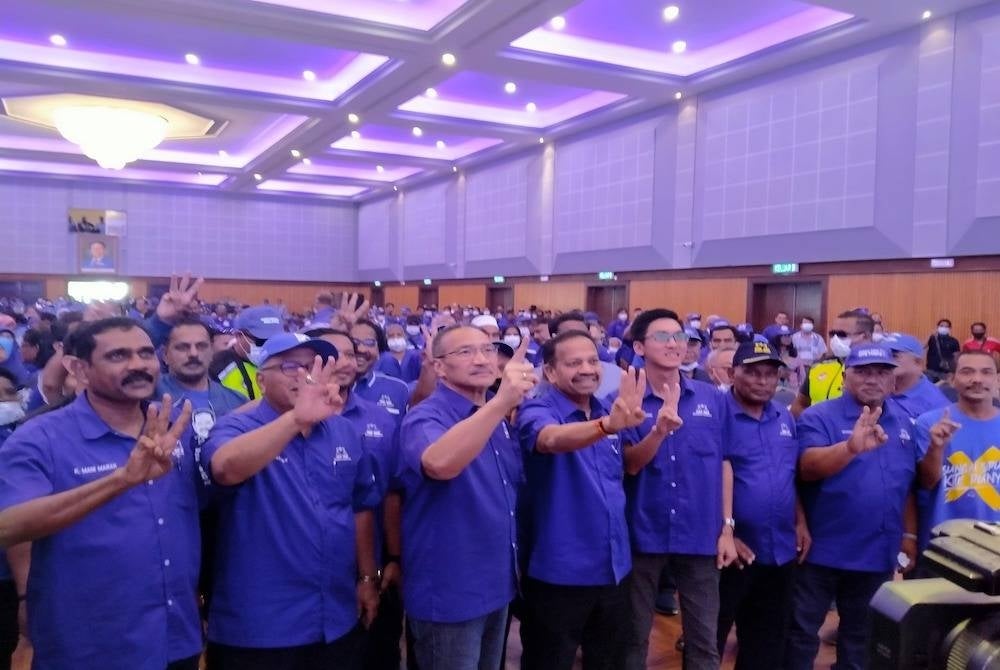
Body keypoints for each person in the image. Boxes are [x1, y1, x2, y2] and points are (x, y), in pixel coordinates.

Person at [0, 317, 200, 670]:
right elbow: (9, 526)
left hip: (175, 635)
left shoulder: (174, 431)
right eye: (118, 356)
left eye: (145, 353)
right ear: (80, 368)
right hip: (91, 645)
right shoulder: (39, 437)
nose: (138, 364)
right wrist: (121, 480)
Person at [202, 333, 380, 670]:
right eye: (289, 366)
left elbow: (359, 507)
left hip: (335, 619)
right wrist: (296, 419)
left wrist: (368, 578)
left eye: (313, 365)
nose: (304, 375)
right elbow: (225, 468)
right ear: (260, 379)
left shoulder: (342, 431)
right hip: (261, 628)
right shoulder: (236, 426)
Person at [399, 327, 534, 669]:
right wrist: (502, 401)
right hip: (450, 590)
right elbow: (439, 463)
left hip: (497, 583)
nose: (481, 359)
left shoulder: (497, 418)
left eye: (487, 350)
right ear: (439, 368)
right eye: (465, 352)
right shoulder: (426, 416)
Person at [517, 330, 647, 670]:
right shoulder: (538, 409)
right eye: (574, 363)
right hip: (560, 574)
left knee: (608, 661)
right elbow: (549, 439)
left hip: (614, 569)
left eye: (592, 360)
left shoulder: (606, 408)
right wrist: (605, 427)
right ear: (550, 372)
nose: (587, 369)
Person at [786, 343, 919, 670]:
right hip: (822, 550)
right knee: (802, 632)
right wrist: (849, 448)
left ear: (892, 380)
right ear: (846, 377)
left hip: (877, 552)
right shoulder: (820, 415)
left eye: (881, 372)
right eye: (863, 371)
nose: (872, 379)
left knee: (862, 637)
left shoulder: (905, 422)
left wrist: (910, 536)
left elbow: (909, 484)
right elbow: (807, 468)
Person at [618, 309, 735, 670]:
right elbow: (631, 464)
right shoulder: (624, 400)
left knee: (704, 641)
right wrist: (658, 432)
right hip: (642, 532)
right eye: (662, 337)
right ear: (639, 346)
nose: (674, 344)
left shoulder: (712, 398)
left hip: (700, 533)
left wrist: (727, 527)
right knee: (632, 638)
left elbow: (724, 462)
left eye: (679, 337)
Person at [717, 340, 810, 670]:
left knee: (767, 644)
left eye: (770, 374)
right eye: (752, 372)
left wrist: (800, 521)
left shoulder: (783, 416)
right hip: (731, 553)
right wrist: (724, 531)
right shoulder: (716, 414)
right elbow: (702, 481)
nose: (762, 381)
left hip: (780, 550)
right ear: (732, 373)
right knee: (710, 640)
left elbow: (788, 476)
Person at [916, 350, 1000, 548]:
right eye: (967, 372)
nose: (977, 379)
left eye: (986, 372)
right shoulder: (928, 423)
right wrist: (936, 448)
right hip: (942, 543)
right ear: (952, 379)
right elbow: (926, 483)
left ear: (997, 379)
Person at [790, 309, 874, 418]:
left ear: (865, 337)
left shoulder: (879, 372)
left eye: (841, 334)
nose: (835, 339)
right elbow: (799, 404)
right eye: (832, 334)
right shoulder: (819, 366)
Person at [210, 305, 285, 400]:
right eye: (260, 341)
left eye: (275, 341)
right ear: (238, 336)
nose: (268, 346)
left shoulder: (289, 363)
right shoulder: (217, 367)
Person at [924, 318, 961, 382]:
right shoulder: (932, 338)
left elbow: (956, 357)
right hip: (931, 371)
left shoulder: (954, 341)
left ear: (949, 328)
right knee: (930, 390)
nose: (944, 328)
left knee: (945, 391)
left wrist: (954, 372)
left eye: (946, 326)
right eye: (941, 326)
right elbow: (922, 346)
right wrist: (930, 334)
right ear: (938, 327)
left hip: (947, 373)